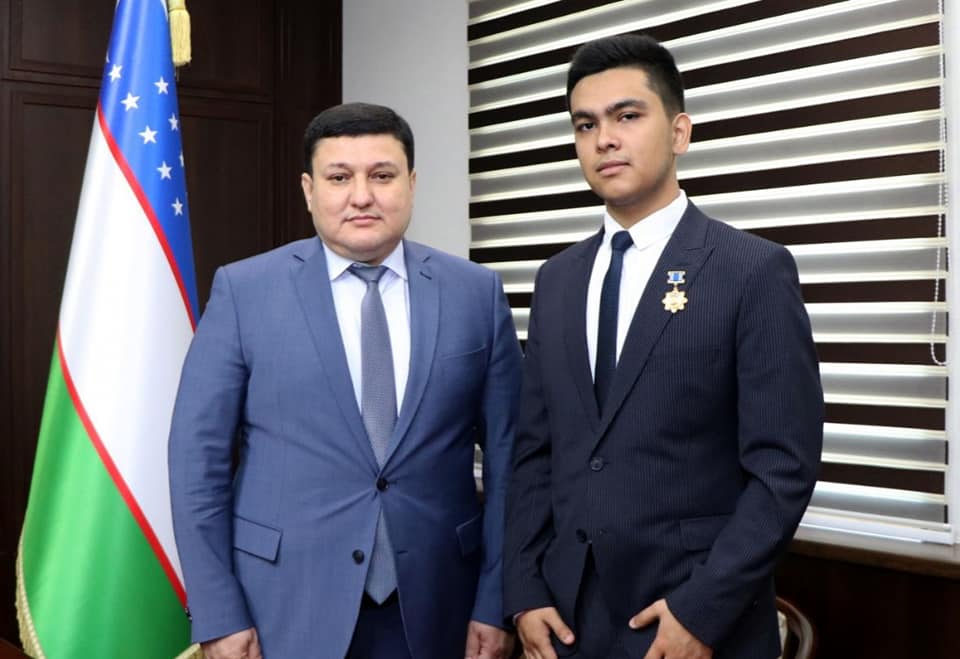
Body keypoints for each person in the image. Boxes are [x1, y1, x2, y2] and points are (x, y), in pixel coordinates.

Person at [503, 34, 823, 659]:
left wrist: (701, 611)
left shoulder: (751, 270)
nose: (604, 139)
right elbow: (535, 453)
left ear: (679, 132)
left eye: (627, 116)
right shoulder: (557, 280)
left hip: (693, 620)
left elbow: (783, 468)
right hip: (566, 620)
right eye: (586, 124)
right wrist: (523, 589)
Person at [169, 102, 521, 659]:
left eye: (382, 175)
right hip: (282, 605)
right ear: (309, 190)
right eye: (339, 178)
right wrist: (218, 612)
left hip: (440, 605)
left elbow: (511, 458)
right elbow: (197, 460)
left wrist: (497, 599)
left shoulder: (475, 293)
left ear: (411, 183)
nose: (362, 196)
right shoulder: (244, 292)